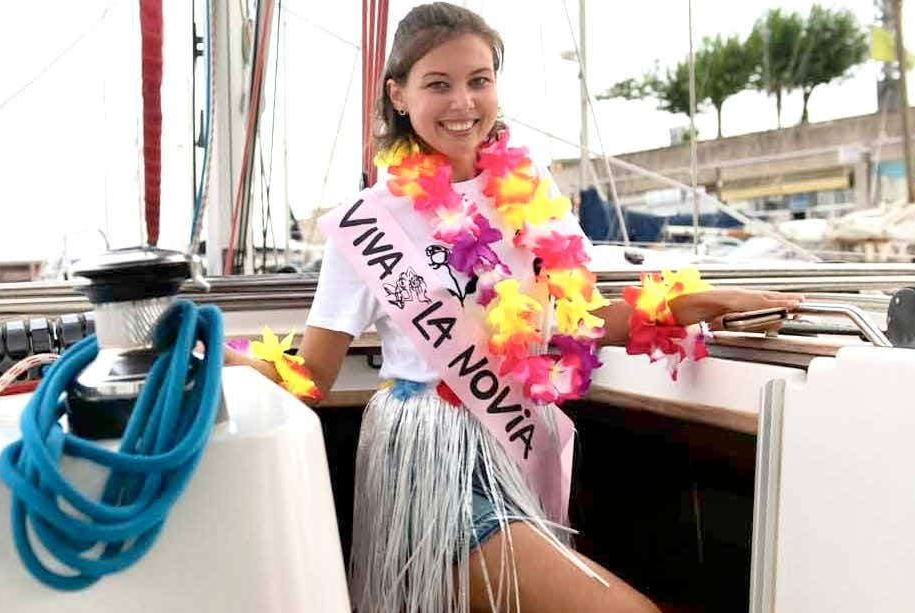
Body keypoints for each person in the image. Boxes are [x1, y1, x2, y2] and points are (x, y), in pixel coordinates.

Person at [226, 4, 799, 612]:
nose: (462, 102)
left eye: (479, 80)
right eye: (438, 84)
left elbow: (585, 320)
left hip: (514, 446)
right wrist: (214, 358)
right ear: (398, 95)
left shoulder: (531, 190)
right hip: (432, 465)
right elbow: (312, 376)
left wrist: (699, 304)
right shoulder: (366, 222)